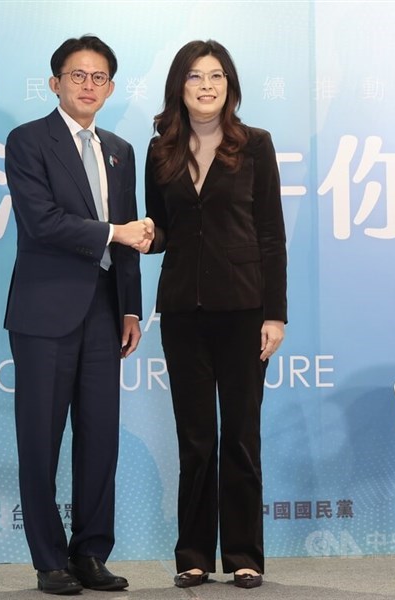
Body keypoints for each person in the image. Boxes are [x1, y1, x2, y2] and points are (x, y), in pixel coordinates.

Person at [4, 35, 153, 595]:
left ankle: (91, 552)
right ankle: (49, 561)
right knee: (40, 440)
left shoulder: (119, 148)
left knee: (100, 438)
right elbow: (41, 222)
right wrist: (115, 233)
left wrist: (132, 307)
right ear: (55, 83)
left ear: (110, 88)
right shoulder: (29, 141)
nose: (88, 86)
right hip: (44, 313)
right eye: (77, 76)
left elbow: (133, 234)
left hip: (104, 310)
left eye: (98, 78)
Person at [143, 40, 287, 590]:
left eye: (217, 76)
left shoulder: (255, 145)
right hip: (182, 310)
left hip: (245, 310)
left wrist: (274, 314)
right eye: (195, 77)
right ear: (179, 86)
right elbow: (162, 230)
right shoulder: (161, 151)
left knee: (242, 437)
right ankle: (193, 554)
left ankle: (246, 553)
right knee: (196, 437)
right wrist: (135, 233)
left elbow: (271, 234)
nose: (206, 86)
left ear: (230, 85)